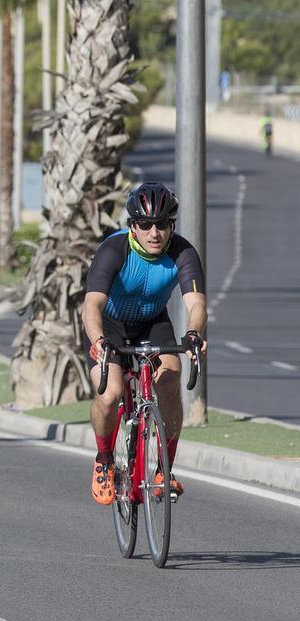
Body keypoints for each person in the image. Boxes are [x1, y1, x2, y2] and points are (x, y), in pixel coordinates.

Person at [83, 181, 207, 506]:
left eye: (163, 224)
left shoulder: (182, 252)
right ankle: (105, 459)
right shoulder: (113, 250)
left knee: (169, 378)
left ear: (172, 225)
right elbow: (92, 304)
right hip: (109, 325)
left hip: (152, 323)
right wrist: (97, 339)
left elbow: (196, 304)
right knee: (108, 394)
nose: (155, 232)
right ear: (132, 226)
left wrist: (193, 334)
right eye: (146, 224)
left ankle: (164, 470)